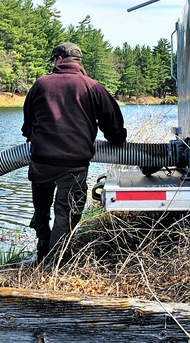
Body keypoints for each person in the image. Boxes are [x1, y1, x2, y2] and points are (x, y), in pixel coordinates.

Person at [21, 42, 127, 263]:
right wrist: (117, 140)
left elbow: (28, 124)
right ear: (78, 62)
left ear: (59, 60)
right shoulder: (92, 87)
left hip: (41, 161)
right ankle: (53, 262)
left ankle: (43, 250)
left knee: (42, 209)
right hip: (74, 164)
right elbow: (113, 122)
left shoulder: (40, 85)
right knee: (66, 213)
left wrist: (33, 136)